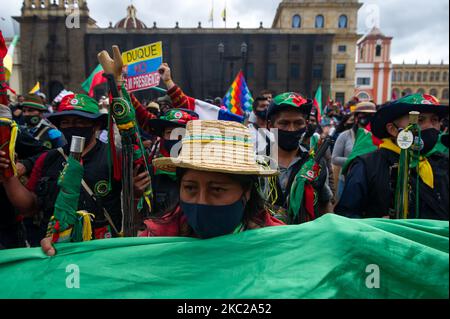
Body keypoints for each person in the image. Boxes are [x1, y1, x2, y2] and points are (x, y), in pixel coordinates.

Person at [0, 93, 151, 253]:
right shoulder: (47, 160)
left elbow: (136, 217)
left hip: (104, 251)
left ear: (97, 125)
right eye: (66, 122)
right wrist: (8, 175)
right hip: (55, 249)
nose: (73, 126)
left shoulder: (115, 158)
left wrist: (135, 194)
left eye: (80, 121)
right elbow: (29, 207)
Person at [140, 120, 285, 238]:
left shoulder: (278, 243)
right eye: (190, 188)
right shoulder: (154, 241)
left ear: (247, 191)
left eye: (217, 189)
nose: (201, 201)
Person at [335, 94, 449, 220]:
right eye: (419, 120)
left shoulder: (443, 162)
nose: (430, 126)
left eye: (435, 120)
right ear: (393, 129)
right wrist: (376, 225)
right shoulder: (367, 166)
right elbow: (345, 217)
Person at [266, 92, 333, 224]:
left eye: (298, 123)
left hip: (305, 240)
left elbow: (325, 204)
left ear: (306, 125)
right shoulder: (256, 162)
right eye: (284, 123)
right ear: (270, 126)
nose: (291, 129)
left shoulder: (315, 164)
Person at [146, 108, 199, 218]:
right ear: (163, 137)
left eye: (180, 133)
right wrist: (137, 196)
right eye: (169, 133)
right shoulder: (152, 173)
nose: (174, 138)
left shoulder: (203, 171)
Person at [332, 101, 376, 200]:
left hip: (371, 183)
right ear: (356, 118)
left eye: (371, 115)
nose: (367, 118)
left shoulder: (377, 137)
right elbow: (334, 159)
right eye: (363, 114)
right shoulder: (345, 135)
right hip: (347, 182)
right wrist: (354, 160)